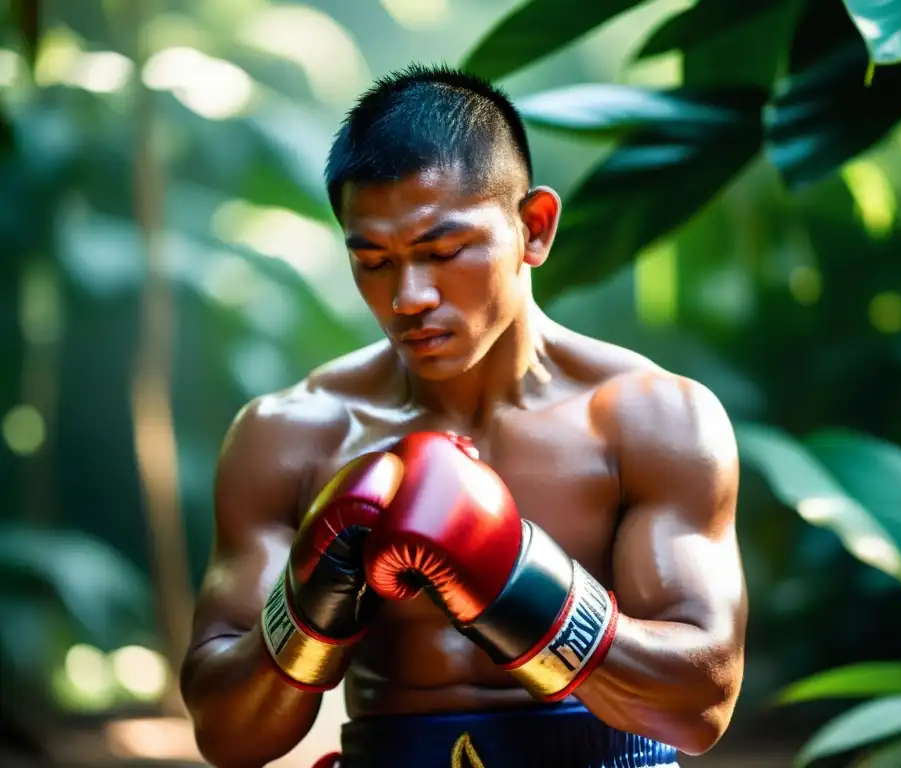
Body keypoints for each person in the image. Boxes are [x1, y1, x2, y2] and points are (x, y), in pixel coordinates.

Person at [180, 63, 748, 768]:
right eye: (374, 261)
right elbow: (226, 733)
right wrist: (307, 611)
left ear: (533, 229)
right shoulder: (292, 435)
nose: (408, 296)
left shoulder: (652, 420)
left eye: (443, 251)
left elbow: (701, 705)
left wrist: (514, 580)